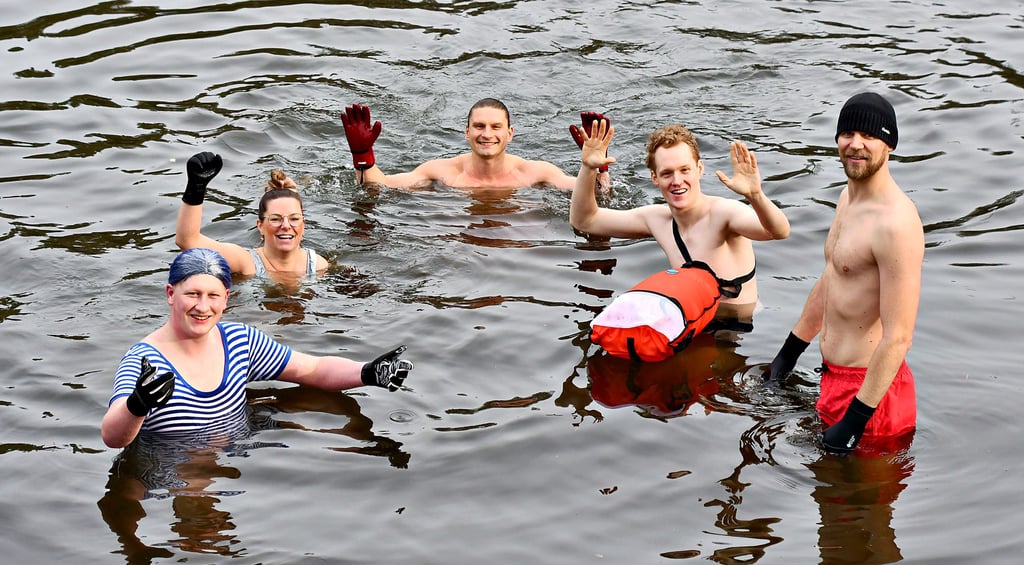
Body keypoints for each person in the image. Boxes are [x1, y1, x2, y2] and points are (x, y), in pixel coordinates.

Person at [101, 248, 413, 448]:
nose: (202, 306)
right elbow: (112, 437)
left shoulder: (238, 342)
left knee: (318, 435)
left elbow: (313, 370)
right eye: (192, 294)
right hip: (170, 467)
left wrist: (368, 372)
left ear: (226, 297)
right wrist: (137, 404)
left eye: (212, 296)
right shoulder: (145, 361)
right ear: (171, 294)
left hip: (239, 451)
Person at [767, 91, 923, 456]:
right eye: (848, 133)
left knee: (859, 510)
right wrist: (787, 356)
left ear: (890, 145)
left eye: (870, 136)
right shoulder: (846, 199)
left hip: (873, 400)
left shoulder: (895, 223)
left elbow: (899, 336)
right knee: (830, 509)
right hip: (834, 381)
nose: (856, 144)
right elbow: (833, 279)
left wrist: (855, 420)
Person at [570, 119, 791, 321]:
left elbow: (778, 232)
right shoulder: (657, 220)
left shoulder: (725, 214)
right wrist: (588, 168)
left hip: (741, 330)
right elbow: (585, 221)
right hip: (692, 324)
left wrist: (755, 196)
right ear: (655, 178)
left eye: (685, 170)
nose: (677, 181)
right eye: (667, 173)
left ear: (700, 169)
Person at [340, 98, 611, 191]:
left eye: (496, 127)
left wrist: (597, 165)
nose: (487, 134)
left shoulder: (536, 173)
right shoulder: (442, 172)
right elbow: (379, 187)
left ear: (510, 133)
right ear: (467, 132)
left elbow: (597, 195)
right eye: (479, 126)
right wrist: (363, 154)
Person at [175, 151, 330, 279]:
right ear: (260, 226)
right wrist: (196, 188)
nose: (286, 226)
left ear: (304, 224)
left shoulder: (317, 265)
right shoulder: (247, 263)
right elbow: (188, 241)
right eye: (275, 219)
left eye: (294, 219)